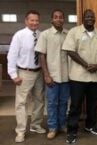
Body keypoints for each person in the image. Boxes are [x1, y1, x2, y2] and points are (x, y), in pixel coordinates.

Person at [62, 9, 97, 144]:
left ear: (95, 19)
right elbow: (70, 51)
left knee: (93, 104)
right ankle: (72, 132)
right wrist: (85, 64)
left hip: (94, 77)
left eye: (92, 17)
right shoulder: (74, 32)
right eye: (87, 16)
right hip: (78, 77)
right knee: (75, 106)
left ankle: (91, 125)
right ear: (83, 18)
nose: (90, 18)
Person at [7, 10, 46, 143]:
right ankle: (21, 131)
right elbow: (11, 55)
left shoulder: (41, 35)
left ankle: (35, 125)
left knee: (39, 100)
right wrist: (13, 74)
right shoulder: (19, 35)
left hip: (39, 72)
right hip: (24, 73)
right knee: (21, 103)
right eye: (32, 20)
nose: (35, 23)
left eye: (36, 20)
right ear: (26, 21)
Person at [35, 9, 69, 140]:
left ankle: (62, 125)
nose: (59, 19)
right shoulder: (45, 35)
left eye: (61, 17)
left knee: (64, 102)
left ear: (63, 19)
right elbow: (41, 55)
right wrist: (46, 75)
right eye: (56, 17)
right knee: (52, 103)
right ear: (52, 19)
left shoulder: (68, 34)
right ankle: (53, 128)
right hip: (52, 76)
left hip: (66, 76)